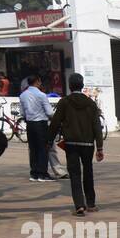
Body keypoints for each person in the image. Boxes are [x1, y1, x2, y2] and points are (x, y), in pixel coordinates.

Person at [49, 72, 105, 216]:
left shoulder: (64, 102)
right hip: (87, 144)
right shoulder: (91, 104)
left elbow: (55, 122)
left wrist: (48, 140)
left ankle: (79, 205)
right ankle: (91, 203)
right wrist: (99, 147)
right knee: (88, 172)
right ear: (82, 85)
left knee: (74, 174)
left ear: (69, 85)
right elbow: (97, 127)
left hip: (71, 143)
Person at [20, 72, 54, 181]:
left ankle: (34, 173)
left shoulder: (23, 95)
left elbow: (22, 112)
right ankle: (42, 173)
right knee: (43, 148)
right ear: (37, 81)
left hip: (30, 124)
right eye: (39, 81)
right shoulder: (41, 95)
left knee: (33, 148)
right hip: (41, 124)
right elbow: (49, 112)